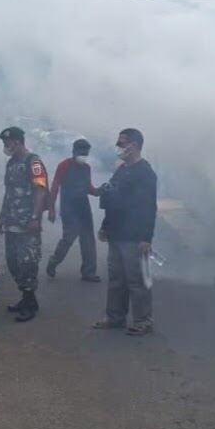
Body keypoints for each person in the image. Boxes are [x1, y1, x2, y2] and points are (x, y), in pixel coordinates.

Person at [93, 128, 158, 336]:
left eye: (122, 143)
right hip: (116, 234)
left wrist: (146, 238)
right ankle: (115, 317)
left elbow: (149, 207)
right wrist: (105, 226)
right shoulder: (122, 169)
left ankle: (143, 321)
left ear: (134, 145)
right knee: (116, 279)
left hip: (134, 237)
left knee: (137, 281)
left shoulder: (145, 173)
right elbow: (111, 199)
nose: (118, 147)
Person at [0, 126, 49, 322]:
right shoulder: (11, 163)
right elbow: (8, 192)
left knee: (28, 263)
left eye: (7, 143)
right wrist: (1, 216)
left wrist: (35, 217)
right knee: (13, 262)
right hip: (12, 221)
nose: (5, 146)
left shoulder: (33, 162)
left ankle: (30, 303)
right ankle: (26, 298)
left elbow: (40, 190)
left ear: (17, 142)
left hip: (28, 223)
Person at [46, 139, 101, 282]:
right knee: (68, 238)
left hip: (83, 207)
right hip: (69, 208)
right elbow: (55, 186)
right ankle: (53, 261)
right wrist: (51, 208)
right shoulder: (64, 165)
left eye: (86, 153)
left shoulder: (86, 168)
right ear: (74, 151)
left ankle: (88, 272)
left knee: (88, 240)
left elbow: (89, 188)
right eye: (82, 153)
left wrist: (99, 191)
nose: (84, 156)